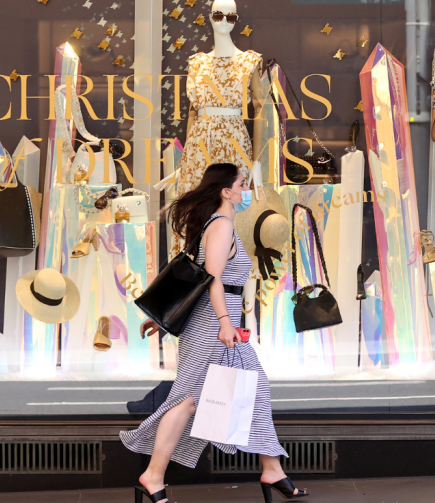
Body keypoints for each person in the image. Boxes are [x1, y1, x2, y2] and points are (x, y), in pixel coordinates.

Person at [121, 163, 309, 503]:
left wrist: (177, 321)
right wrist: (225, 321)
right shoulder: (221, 226)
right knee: (188, 399)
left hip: (215, 322)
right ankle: (153, 475)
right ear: (226, 191)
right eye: (241, 184)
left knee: (250, 389)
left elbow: (196, 283)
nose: (246, 189)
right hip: (214, 325)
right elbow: (213, 280)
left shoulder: (220, 225)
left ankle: (272, 469)